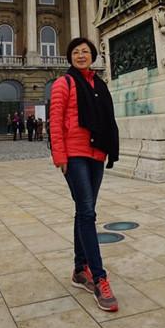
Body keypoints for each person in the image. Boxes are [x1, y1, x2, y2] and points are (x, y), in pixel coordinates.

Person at [50, 37, 120, 311]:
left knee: (84, 211)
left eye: (85, 52)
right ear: (70, 57)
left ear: (93, 56)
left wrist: (107, 150)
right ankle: (99, 277)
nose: (81, 55)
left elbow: (106, 119)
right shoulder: (63, 84)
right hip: (75, 153)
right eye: (76, 52)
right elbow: (55, 120)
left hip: (96, 153)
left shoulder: (99, 84)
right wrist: (60, 156)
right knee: (88, 213)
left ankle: (80, 269)